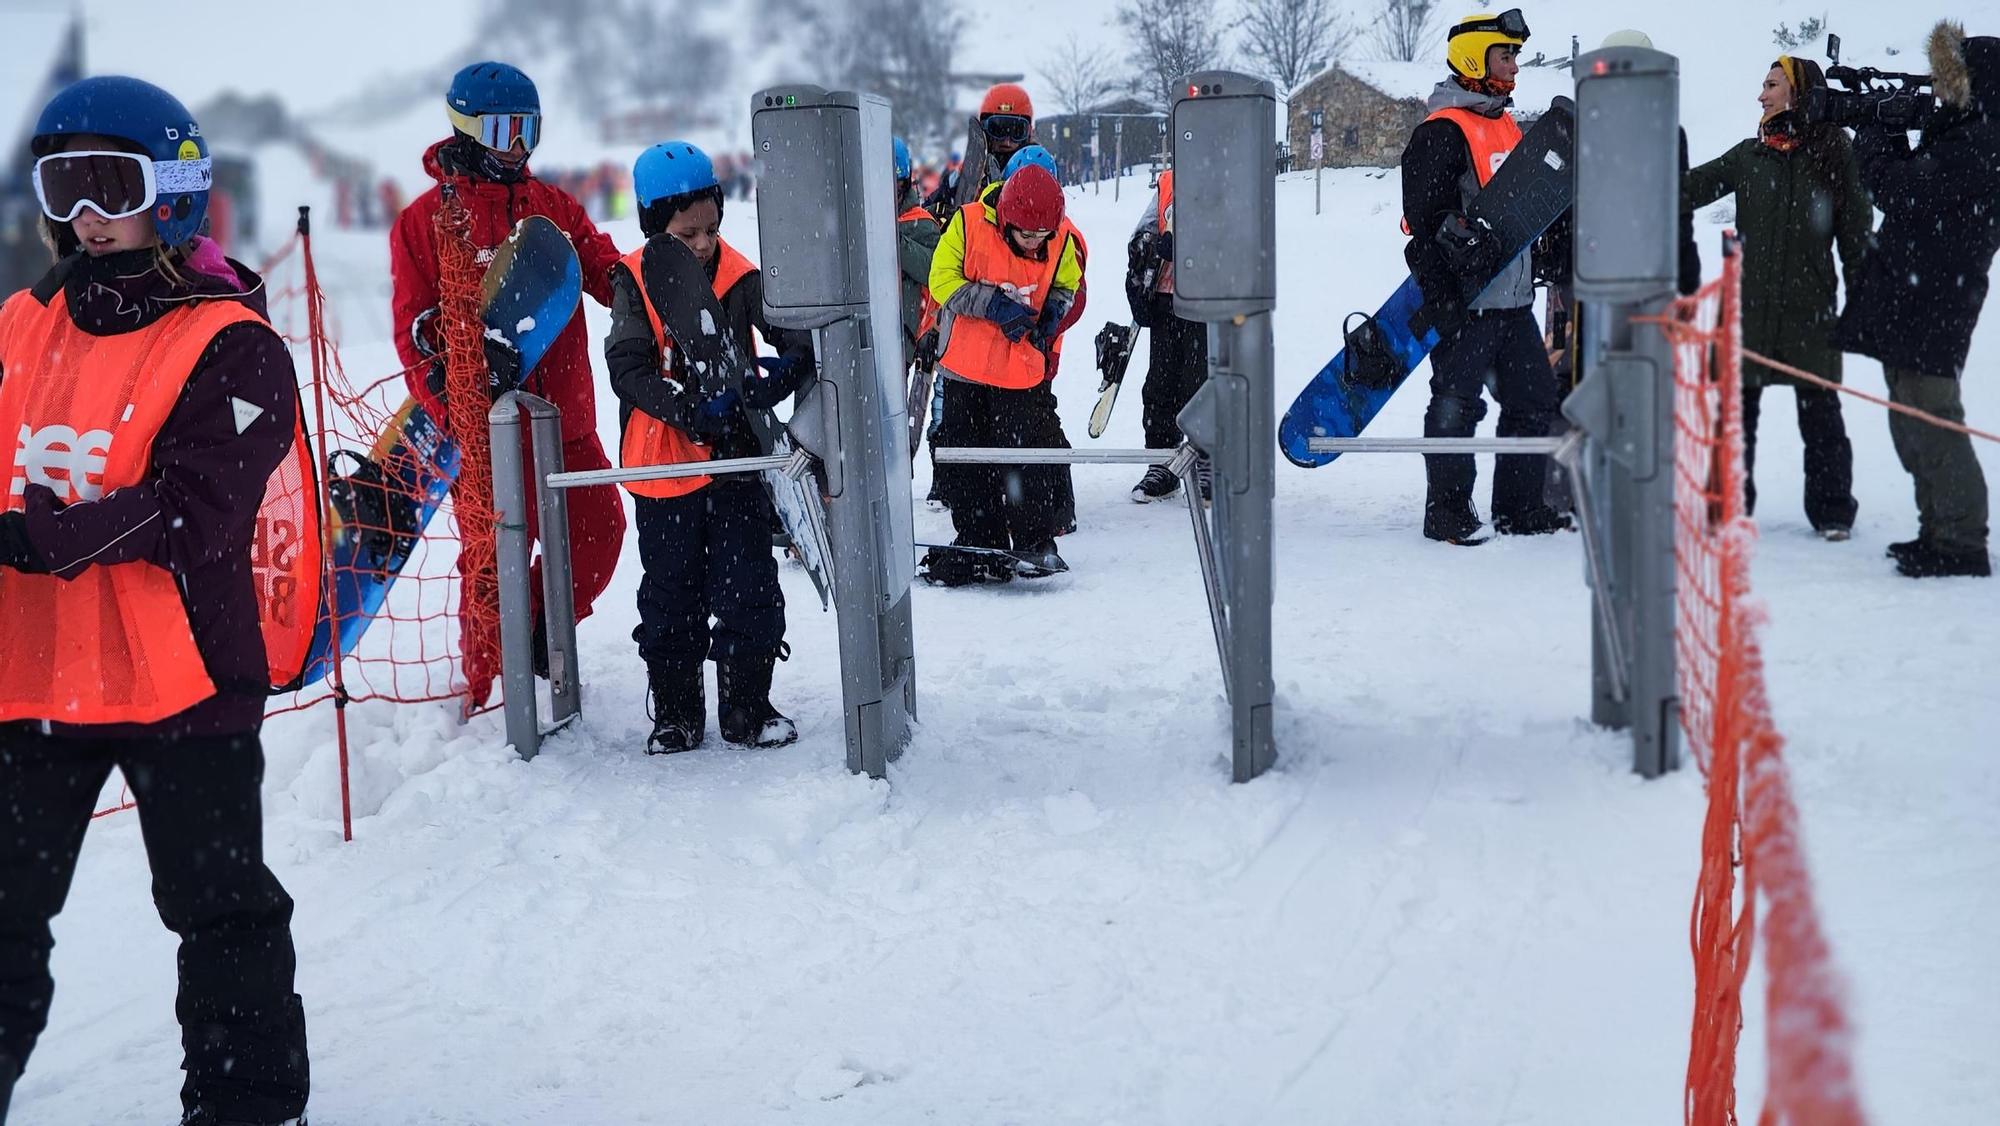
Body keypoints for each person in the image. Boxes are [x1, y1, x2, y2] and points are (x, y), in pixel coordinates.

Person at [0, 76, 313, 1126]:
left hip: (183, 675)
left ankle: (247, 1105)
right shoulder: (21, 324)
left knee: (216, 906)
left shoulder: (233, 344)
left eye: (108, 185)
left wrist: (41, 536)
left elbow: (194, 511)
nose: (85, 215)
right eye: (63, 186)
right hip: (33, 674)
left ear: (172, 194)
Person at [389, 62, 628, 700]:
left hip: (564, 418)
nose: (517, 146)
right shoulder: (424, 222)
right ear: (465, 129)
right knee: (492, 569)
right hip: (486, 433)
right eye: (501, 130)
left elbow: (597, 260)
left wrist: (630, 284)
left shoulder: (552, 207)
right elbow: (411, 327)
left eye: (529, 130)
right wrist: (448, 404)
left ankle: (538, 641)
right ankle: (491, 690)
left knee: (599, 530)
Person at [604, 141, 816, 752]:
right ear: (655, 225)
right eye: (687, 232)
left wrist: (778, 372)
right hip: (665, 463)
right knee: (672, 595)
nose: (702, 244)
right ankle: (675, 712)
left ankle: (748, 705)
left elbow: (787, 334)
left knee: (748, 585)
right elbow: (627, 368)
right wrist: (684, 408)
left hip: (735, 461)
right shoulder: (633, 278)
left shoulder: (739, 276)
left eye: (711, 229)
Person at [1400, 8, 1569, 544]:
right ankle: (1446, 514)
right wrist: (1443, 295)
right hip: (1467, 304)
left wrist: (1548, 249)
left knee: (1534, 401)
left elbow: (1523, 205)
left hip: (1513, 301)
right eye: (1506, 54)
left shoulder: (1507, 123)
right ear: (1475, 57)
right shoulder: (1442, 131)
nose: (1515, 66)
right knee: (1455, 405)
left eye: (1516, 55)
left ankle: (1518, 509)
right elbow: (1423, 225)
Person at [1838, 22, 2000, 578]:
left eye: (1947, 78)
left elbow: (1907, 191)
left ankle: (1960, 542)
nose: (1936, 88)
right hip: (1919, 291)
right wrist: (1888, 126)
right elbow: (1916, 188)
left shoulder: (1984, 140)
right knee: (1910, 413)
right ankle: (1937, 529)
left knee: (1932, 415)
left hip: (1939, 297)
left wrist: (1877, 139)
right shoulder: (1963, 129)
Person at [1685, 55, 1869, 540]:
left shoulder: (1833, 153)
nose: (1761, 95)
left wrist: (1864, 299)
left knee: (1822, 415)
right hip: (1748, 311)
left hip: (1812, 311)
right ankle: (1726, 507)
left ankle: (1832, 512)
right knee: (1736, 416)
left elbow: (1854, 232)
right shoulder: (1748, 155)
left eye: (1771, 85)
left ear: (1800, 92)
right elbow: (1688, 190)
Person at [924, 164, 1084, 584]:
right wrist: (992, 304)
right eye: (1025, 235)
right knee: (968, 457)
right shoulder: (968, 222)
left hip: (1021, 371)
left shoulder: (1060, 236)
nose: (1034, 243)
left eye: (1040, 236)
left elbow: (1068, 283)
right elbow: (941, 282)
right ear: (1007, 220)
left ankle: (1035, 539)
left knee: (1024, 459)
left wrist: (1054, 311)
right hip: (965, 368)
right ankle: (980, 538)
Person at [1126, 163, 1211, 502]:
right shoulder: (1168, 181)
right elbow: (1145, 230)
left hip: (1210, 300)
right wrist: (1142, 260)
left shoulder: (1234, 177)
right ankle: (1161, 459)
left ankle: (1208, 460)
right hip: (1166, 297)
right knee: (1161, 382)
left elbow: (1241, 238)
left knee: (1202, 384)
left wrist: (1195, 251)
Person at [927, 83, 1036, 218]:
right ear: (984, 129)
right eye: (998, 130)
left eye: (1017, 131)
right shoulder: (965, 174)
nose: (1007, 141)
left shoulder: (1038, 171)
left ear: (1029, 132)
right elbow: (927, 210)